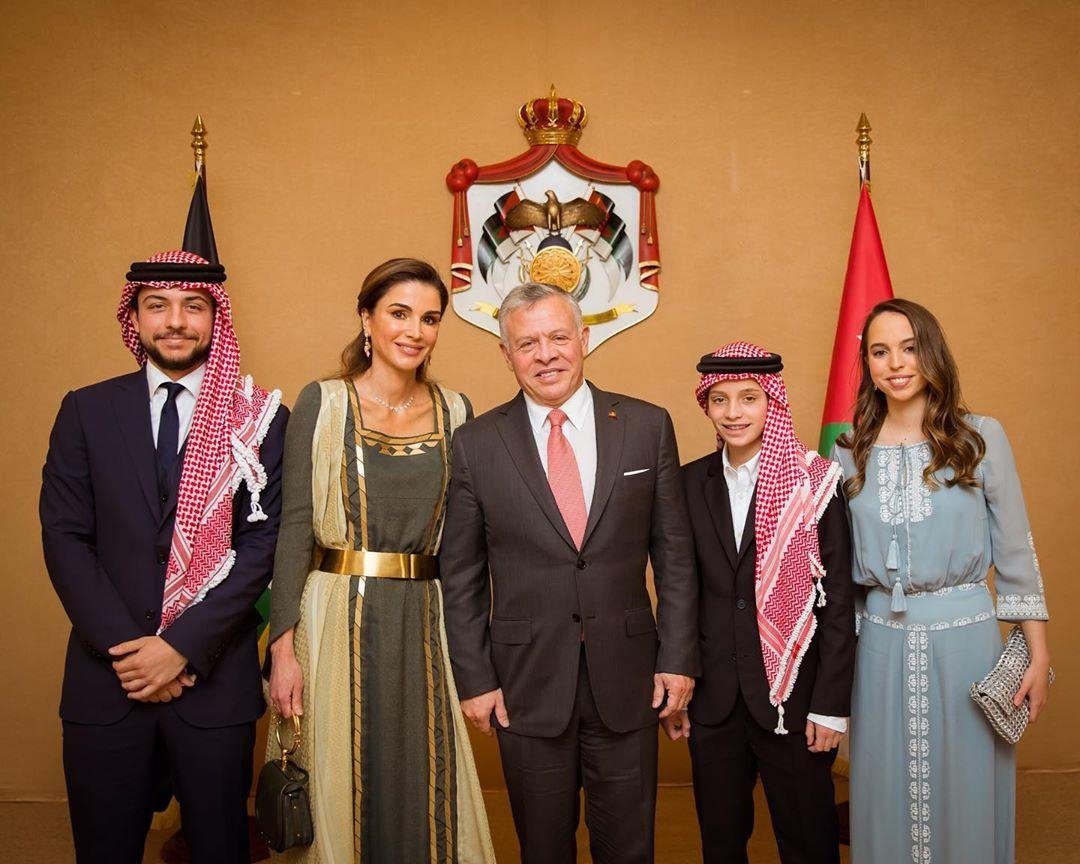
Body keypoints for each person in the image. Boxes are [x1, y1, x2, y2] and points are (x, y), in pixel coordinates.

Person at [40, 248, 287, 864]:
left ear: (216, 318)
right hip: (107, 681)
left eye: (193, 306)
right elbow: (65, 537)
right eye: (158, 305)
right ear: (135, 317)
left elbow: (264, 545)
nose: (175, 321)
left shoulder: (260, 419)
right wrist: (130, 652)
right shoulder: (86, 410)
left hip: (213, 682)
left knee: (219, 849)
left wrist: (179, 648)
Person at [439, 281, 700, 864]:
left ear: (584, 338)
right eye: (527, 343)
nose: (546, 355)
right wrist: (475, 679)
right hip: (524, 684)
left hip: (630, 680)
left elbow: (676, 559)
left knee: (628, 849)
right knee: (543, 849)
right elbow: (460, 576)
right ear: (506, 354)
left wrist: (678, 660)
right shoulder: (476, 444)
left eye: (558, 337)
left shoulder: (646, 426)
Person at [265, 258, 495, 863]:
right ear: (366, 318)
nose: (414, 331)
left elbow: (466, 546)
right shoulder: (322, 403)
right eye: (399, 313)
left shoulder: (457, 411)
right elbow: (294, 528)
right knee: (337, 775)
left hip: (426, 618)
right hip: (333, 615)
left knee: (425, 770)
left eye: (429, 319)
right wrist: (282, 649)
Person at [833, 298, 1051, 864]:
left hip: (968, 642)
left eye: (909, 348)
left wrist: (1037, 655)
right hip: (878, 646)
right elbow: (838, 567)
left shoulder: (980, 437)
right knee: (884, 788)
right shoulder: (848, 450)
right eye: (880, 352)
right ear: (867, 364)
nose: (896, 364)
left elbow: (1015, 551)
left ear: (931, 353)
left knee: (967, 786)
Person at [679, 341, 855, 864]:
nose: (733, 412)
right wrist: (679, 688)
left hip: (793, 703)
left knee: (809, 842)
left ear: (772, 402)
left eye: (749, 398)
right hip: (713, 701)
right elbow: (680, 592)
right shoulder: (688, 483)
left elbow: (837, 602)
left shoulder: (815, 483)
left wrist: (830, 707)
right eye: (720, 399)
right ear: (706, 405)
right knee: (721, 844)